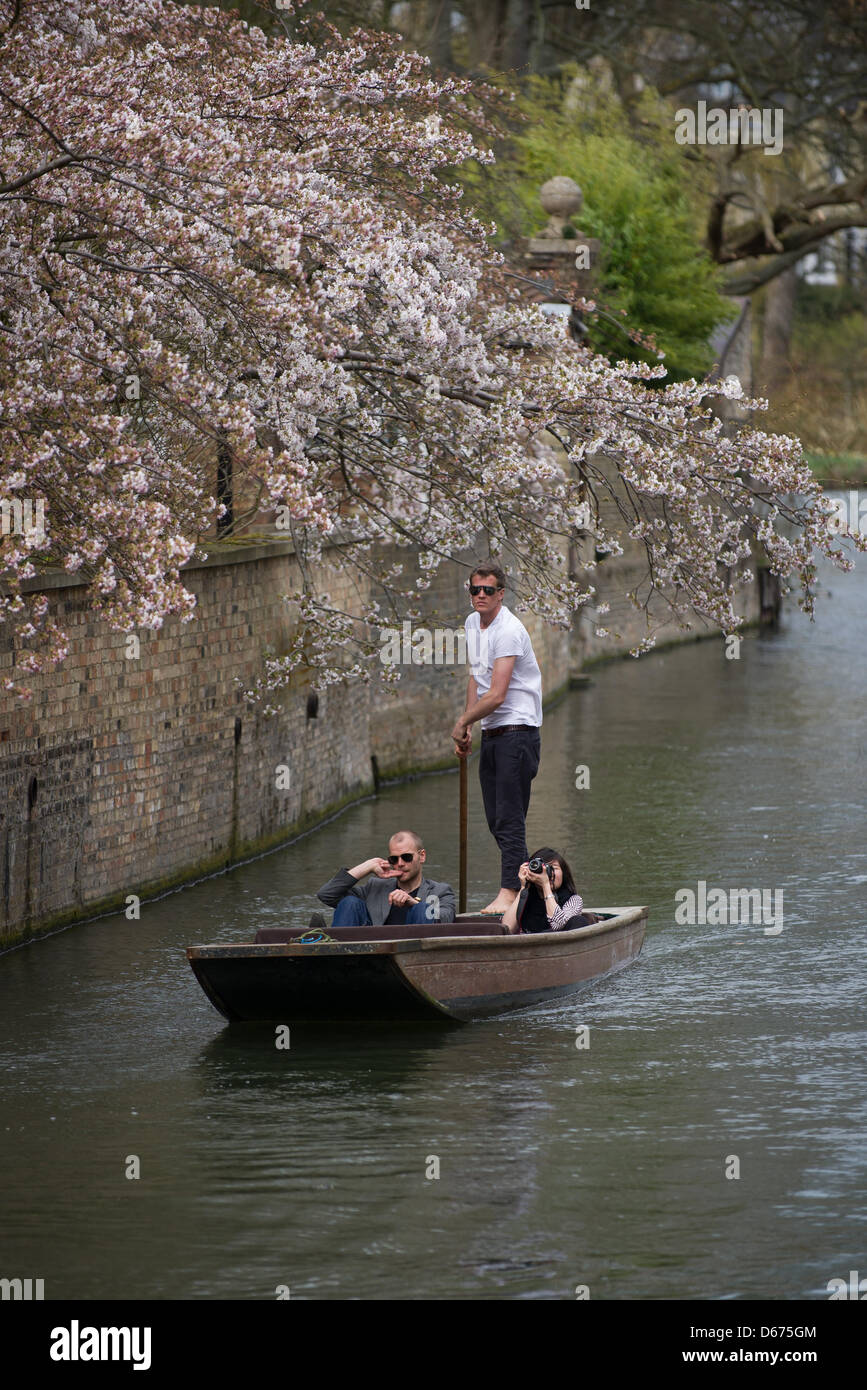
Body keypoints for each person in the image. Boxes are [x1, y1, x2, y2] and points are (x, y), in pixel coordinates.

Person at [450, 560, 542, 913]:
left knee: (508, 816)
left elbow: (498, 694)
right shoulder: (473, 623)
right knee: (497, 818)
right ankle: (524, 886)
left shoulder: (509, 630)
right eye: (475, 590)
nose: (481, 596)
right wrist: (470, 725)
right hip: (493, 731)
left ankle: (511, 891)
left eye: (488, 590)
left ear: (501, 594)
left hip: (518, 733)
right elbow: (478, 677)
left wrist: (461, 721)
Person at [316, 830, 455, 927]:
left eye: (406, 857)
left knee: (422, 909)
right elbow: (327, 895)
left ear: (422, 856)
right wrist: (367, 866)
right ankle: (338, 962)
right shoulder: (376, 887)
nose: (400, 864)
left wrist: (412, 903)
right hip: (374, 954)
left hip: (415, 955)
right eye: (394, 859)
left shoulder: (439, 891)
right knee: (349, 903)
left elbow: (446, 919)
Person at [500, 848, 586, 935]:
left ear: (564, 873)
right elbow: (507, 928)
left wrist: (545, 885)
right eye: (543, 869)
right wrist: (523, 887)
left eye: (554, 868)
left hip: (558, 945)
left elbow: (558, 925)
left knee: (579, 921)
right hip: (529, 945)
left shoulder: (574, 900)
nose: (549, 873)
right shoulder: (526, 898)